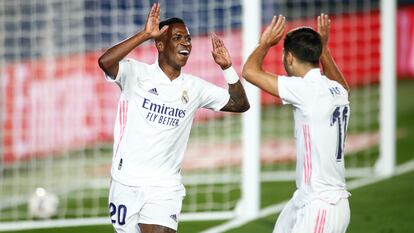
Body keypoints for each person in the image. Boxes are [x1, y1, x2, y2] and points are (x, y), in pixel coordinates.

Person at [98, 3, 249, 233]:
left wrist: (227, 68)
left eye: (188, 39)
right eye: (178, 37)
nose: (186, 43)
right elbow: (105, 62)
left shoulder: (194, 87)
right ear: (160, 44)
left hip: (165, 186)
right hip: (125, 182)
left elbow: (240, 104)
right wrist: (145, 34)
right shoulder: (136, 73)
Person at [242, 14, 350, 233]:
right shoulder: (337, 90)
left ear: (289, 57)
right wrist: (325, 50)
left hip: (322, 205)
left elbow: (250, 72)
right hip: (307, 198)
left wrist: (265, 44)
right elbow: (343, 86)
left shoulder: (304, 89)